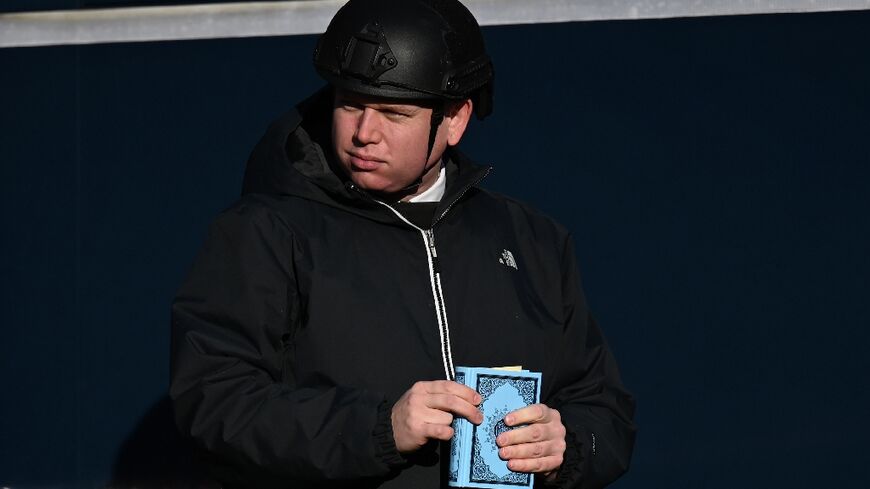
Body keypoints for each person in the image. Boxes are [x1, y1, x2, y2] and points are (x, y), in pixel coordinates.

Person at [169, 0, 636, 487]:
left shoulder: (531, 239)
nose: (363, 133)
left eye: (394, 113)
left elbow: (605, 410)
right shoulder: (265, 232)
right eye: (350, 103)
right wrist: (378, 429)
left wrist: (569, 445)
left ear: (454, 120)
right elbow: (213, 400)